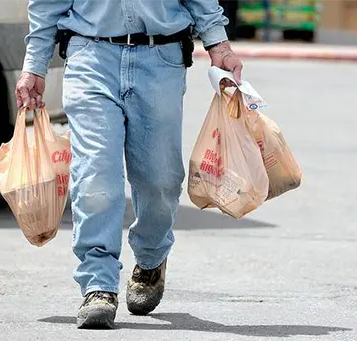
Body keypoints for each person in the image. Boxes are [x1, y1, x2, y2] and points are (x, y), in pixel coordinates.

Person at [15, 0, 243, 330]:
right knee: (96, 178)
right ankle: (98, 285)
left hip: (161, 59)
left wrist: (218, 43)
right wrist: (34, 65)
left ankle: (151, 258)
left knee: (160, 181)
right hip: (91, 56)